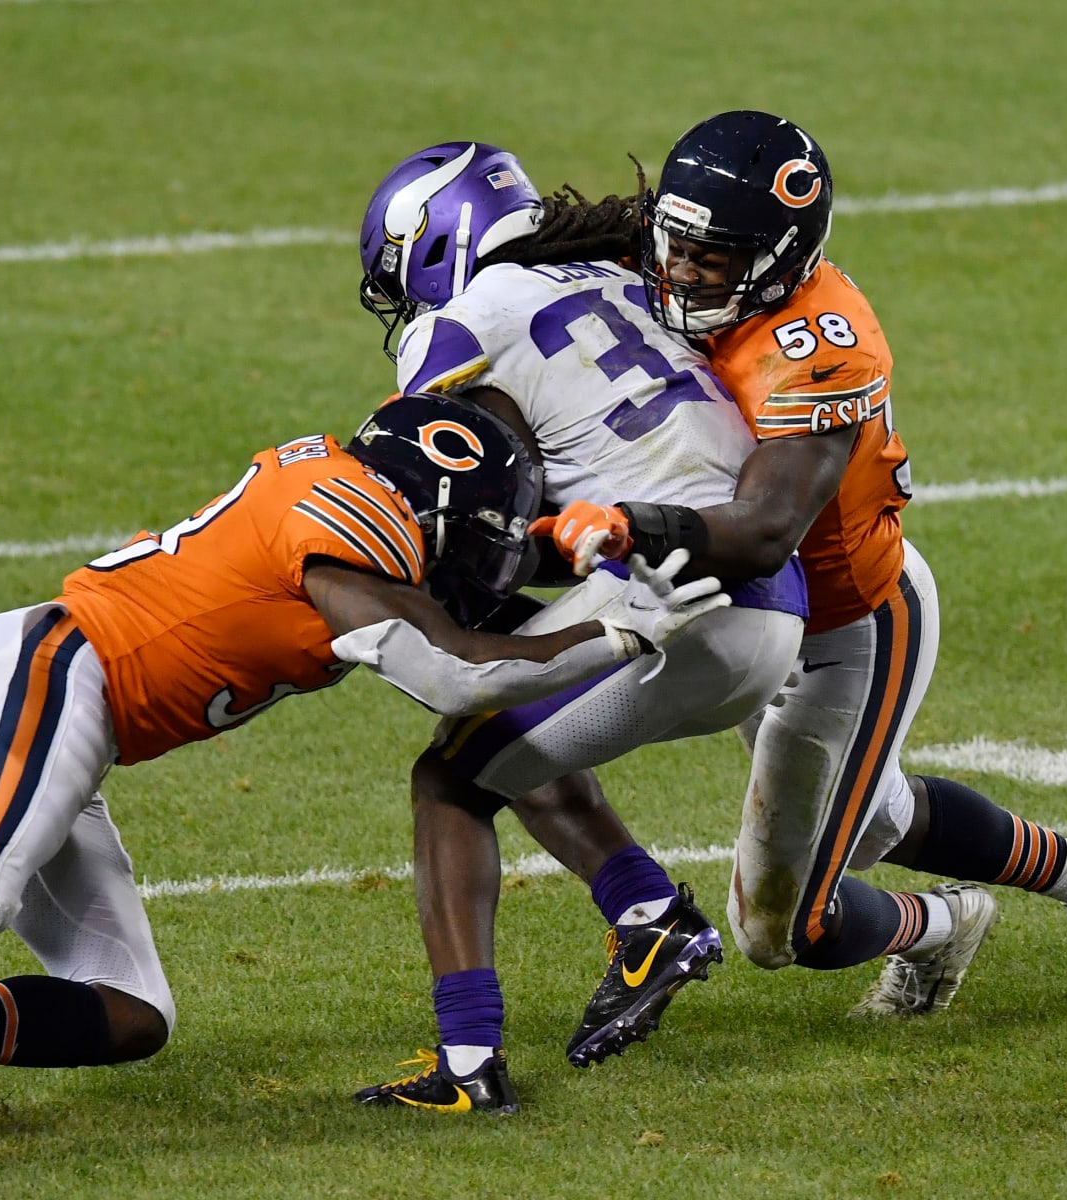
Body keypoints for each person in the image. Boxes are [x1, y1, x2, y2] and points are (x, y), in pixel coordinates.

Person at [0, 391, 731, 1174]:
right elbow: (456, 673)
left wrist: (583, 545)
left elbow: (467, 599)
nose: (482, 558)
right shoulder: (352, 532)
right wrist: (625, 632)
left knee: (132, 1012)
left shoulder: (348, 496)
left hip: (82, 712)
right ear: (429, 507)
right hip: (52, 671)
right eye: (477, 532)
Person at [529, 110, 1067, 1035]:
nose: (685, 273)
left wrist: (624, 523)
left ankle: (944, 923)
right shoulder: (678, 258)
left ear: (781, 257)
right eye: (680, 245)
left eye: (716, 258)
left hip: (844, 628)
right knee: (877, 819)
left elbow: (766, 530)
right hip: (746, 625)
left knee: (784, 926)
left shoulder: (817, 345)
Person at [352, 142, 808, 1110]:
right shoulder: (623, 272)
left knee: (450, 776)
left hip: (678, 602)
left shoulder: (462, 322)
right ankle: (649, 914)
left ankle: (467, 1064)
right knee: (508, 681)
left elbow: (450, 501)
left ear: (433, 251)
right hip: (768, 597)